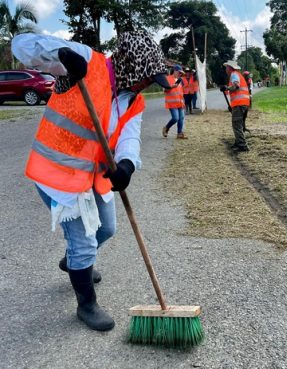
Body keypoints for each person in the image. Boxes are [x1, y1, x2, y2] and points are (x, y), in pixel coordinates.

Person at [12, 30, 171, 332]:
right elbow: (22, 45)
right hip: (58, 174)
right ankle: (86, 305)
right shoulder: (88, 62)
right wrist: (60, 57)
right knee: (84, 242)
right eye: (147, 76)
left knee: (107, 229)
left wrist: (126, 165)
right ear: (131, 66)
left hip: (92, 176)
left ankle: (75, 259)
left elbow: (130, 138)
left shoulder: (133, 100)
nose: (148, 83)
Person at [220, 60, 250, 152]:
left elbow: (236, 86)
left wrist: (227, 88)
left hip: (239, 103)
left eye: (226, 67)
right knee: (238, 124)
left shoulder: (234, 74)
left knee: (236, 124)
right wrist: (226, 89)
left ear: (229, 68)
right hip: (243, 103)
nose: (226, 69)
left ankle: (242, 145)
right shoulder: (237, 74)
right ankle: (238, 142)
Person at [162, 64, 187, 139]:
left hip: (180, 103)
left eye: (181, 73)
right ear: (175, 71)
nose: (180, 74)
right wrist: (172, 86)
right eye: (179, 72)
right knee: (175, 118)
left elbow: (181, 92)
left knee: (181, 118)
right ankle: (166, 128)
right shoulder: (167, 78)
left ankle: (179, 133)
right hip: (172, 103)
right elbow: (164, 90)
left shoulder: (180, 80)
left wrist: (183, 102)